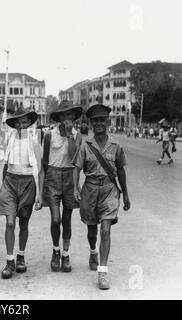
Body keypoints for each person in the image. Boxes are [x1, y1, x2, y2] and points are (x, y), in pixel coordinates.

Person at [73, 104, 131, 290]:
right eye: (95, 120)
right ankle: (93, 251)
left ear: (108, 122)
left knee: (105, 229)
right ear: (90, 123)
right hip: (89, 190)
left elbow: (120, 171)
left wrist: (126, 194)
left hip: (109, 190)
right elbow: (77, 168)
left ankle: (103, 271)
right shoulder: (85, 146)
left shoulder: (116, 146)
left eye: (102, 120)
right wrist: (76, 187)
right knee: (92, 231)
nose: (99, 123)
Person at [37, 101, 83, 272]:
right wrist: (40, 193)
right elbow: (44, 165)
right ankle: (55, 250)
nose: (67, 118)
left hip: (70, 177)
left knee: (67, 219)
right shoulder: (49, 135)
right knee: (56, 219)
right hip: (53, 177)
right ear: (59, 118)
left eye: (69, 115)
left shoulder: (77, 136)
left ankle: (65, 254)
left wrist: (70, 135)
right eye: (63, 115)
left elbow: (74, 157)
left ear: (73, 117)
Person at [0, 106, 42, 279]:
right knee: (10, 222)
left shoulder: (34, 142)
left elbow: (39, 169)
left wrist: (39, 194)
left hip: (28, 182)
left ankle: (21, 256)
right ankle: (9, 261)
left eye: (25, 122)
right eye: (18, 123)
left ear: (29, 123)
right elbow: (5, 164)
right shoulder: (9, 139)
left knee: (23, 222)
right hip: (10, 180)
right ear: (14, 124)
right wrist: (3, 186)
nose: (22, 126)